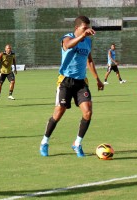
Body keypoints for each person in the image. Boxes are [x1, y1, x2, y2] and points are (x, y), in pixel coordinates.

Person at [39, 16, 104, 157]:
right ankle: (44, 142)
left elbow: (90, 60)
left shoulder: (88, 41)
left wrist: (97, 79)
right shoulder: (66, 38)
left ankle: (77, 144)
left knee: (88, 112)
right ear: (77, 28)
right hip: (65, 81)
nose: (87, 30)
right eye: (84, 28)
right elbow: (68, 46)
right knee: (59, 112)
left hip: (81, 82)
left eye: (88, 28)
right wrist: (82, 36)